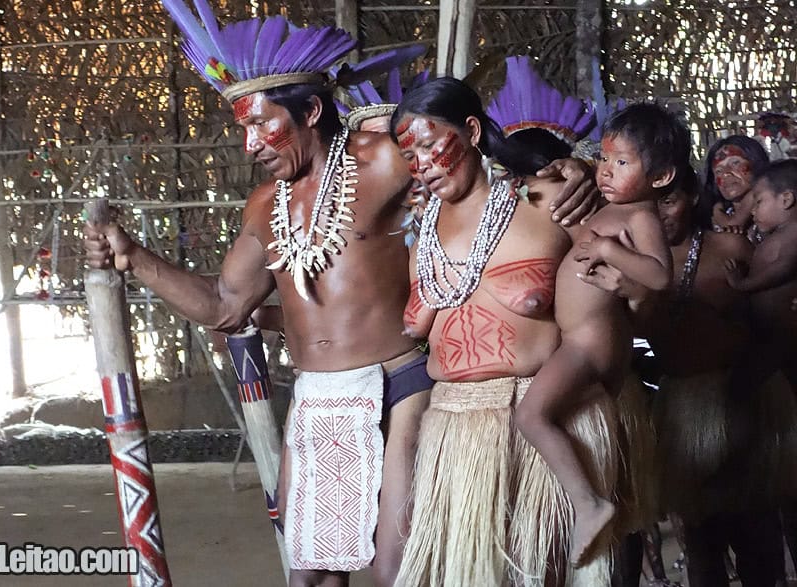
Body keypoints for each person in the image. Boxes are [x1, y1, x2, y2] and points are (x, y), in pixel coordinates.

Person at [85, 5, 596, 586]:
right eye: (243, 130)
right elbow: (227, 304)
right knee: (314, 577)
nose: (250, 144)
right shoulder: (263, 206)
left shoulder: (382, 161)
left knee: (395, 568)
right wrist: (134, 257)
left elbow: (464, 161)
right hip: (319, 397)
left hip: (398, 384)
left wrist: (566, 171)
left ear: (309, 110)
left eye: (262, 125)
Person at [392, 76, 616, 587]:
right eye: (410, 155)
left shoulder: (547, 200)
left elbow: (619, 298)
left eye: (430, 145)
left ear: (471, 131)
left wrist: (581, 172)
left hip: (537, 418)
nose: (421, 165)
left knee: (544, 572)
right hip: (454, 425)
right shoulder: (422, 234)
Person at [596, 165, 790, 587]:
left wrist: (749, 386)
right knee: (702, 539)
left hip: (745, 398)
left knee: (757, 532)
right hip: (682, 408)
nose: (659, 212)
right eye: (650, 203)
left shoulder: (731, 248)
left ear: (692, 198)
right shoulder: (630, 265)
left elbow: (771, 327)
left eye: (668, 200)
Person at [515, 102, 684, 566]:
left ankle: (589, 503)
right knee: (535, 416)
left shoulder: (639, 219)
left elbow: (659, 277)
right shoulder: (612, 208)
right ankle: (588, 503)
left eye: (621, 163)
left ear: (662, 176)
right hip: (582, 340)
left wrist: (610, 248)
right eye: (604, 159)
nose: (606, 172)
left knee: (532, 416)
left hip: (593, 344)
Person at [723, 159, 797, 390]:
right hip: (767, 330)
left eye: (759, 201)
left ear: (786, 199)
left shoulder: (794, 233)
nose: (752, 210)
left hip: (784, 332)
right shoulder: (778, 233)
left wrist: (744, 284)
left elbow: (783, 268)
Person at [699, 135, 770, 243]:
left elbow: (733, 224)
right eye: (718, 171)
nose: (726, 173)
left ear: (756, 163)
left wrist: (717, 214)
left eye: (735, 163)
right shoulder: (709, 216)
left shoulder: (772, 206)